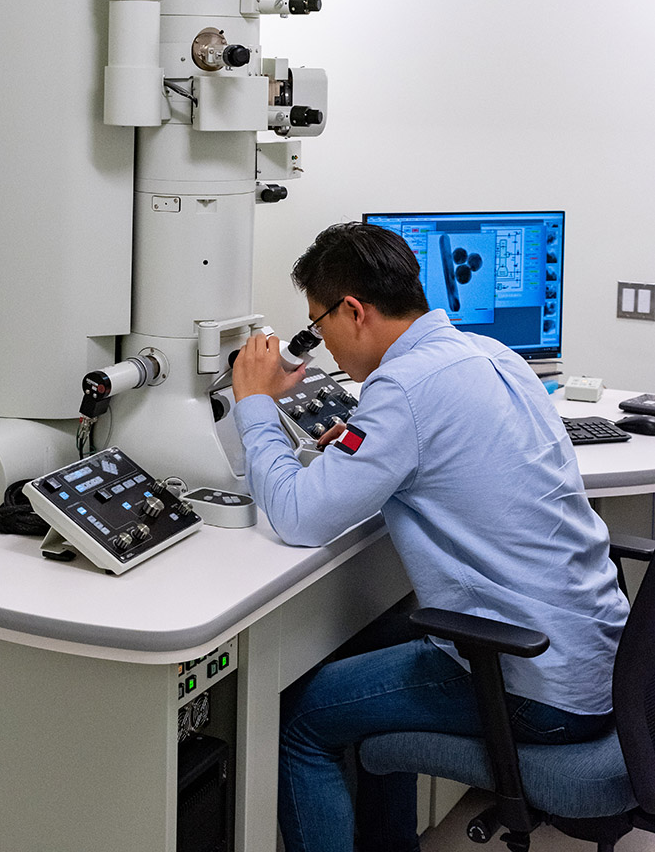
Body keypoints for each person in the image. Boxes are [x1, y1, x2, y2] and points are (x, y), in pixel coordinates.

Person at [231, 222, 629, 852]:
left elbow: (298, 515)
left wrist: (253, 405)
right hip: (602, 661)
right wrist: (365, 452)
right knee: (368, 652)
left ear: (354, 311)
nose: (323, 345)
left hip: (533, 680)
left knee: (299, 720)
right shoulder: (494, 355)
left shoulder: (403, 389)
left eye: (319, 323)